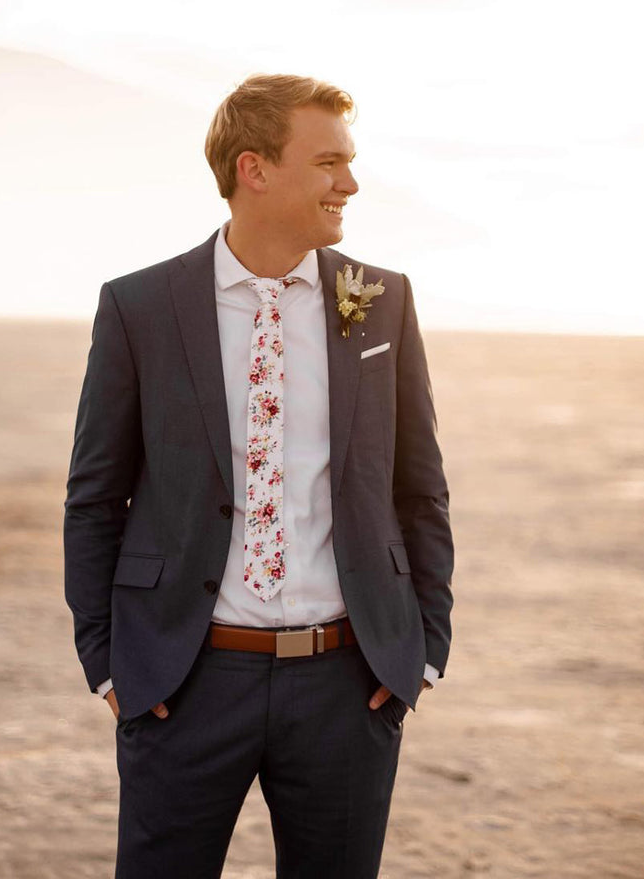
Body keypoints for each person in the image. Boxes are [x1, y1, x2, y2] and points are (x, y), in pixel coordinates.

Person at [63, 73, 454, 878]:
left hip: (350, 685)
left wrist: (421, 650)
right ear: (254, 169)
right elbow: (96, 496)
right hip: (184, 680)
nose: (349, 182)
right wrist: (108, 663)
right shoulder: (140, 306)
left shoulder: (379, 300)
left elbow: (417, 486)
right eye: (328, 163)